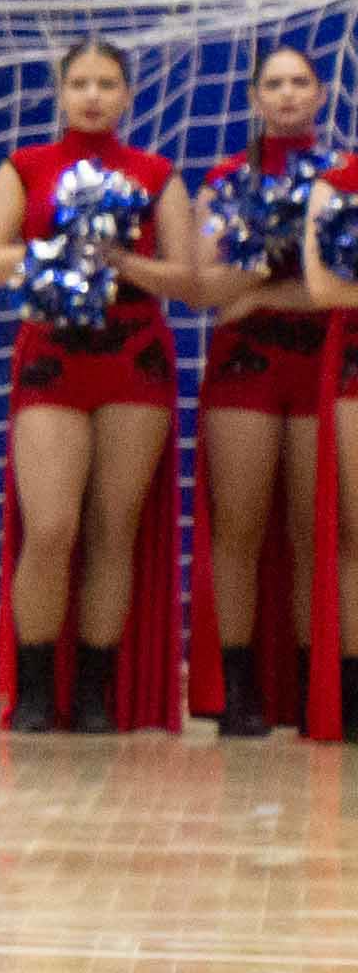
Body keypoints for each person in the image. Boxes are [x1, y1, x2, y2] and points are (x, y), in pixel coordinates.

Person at [0, 39, 216, 733]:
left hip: (133, 357)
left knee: (114, 530)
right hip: (53, 354)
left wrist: (116, 258)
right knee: (50, 529)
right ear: (60, 92)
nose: (93, 96)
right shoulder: (24, 167)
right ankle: (35, 691)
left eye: (107, 83)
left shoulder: (156, 174)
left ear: (128, 95)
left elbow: (189, 281)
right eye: (80, 83)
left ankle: (95, 694)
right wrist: (62, 250)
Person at [189, 45, 336, 739]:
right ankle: (238, 689)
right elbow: (203, 289)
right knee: (239, 528)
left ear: (321, 93)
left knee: (314, 531)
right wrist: (271, 273)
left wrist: (261, 290)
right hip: (244, 365)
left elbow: (338, 290)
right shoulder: (223, 180)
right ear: (253, 97)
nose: (286, 95)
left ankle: (313, 687)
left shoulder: (345, 178)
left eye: (299, 82)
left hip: (325, 365)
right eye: (273, 84)